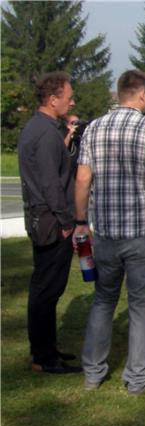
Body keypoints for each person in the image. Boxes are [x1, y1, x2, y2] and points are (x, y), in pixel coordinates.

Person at [74, 69, 145, 394]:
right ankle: (137, 379)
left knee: (103, 300)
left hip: (106, 233)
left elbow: (83, 179)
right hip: (141, 232)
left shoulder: (93, 128)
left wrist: (81, 221)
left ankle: (93, 373)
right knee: (141, 306)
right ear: (141, 93)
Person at [18, 71, 81, 374]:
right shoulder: (43, 133)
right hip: (51, 222)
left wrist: (68, 138)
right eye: (68, 95)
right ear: (53, 99)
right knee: (46, 290)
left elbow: (54, 166)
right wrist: (66, 220)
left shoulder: (44, 128)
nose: (72, 100)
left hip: (46, 218)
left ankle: (47, 349)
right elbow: (49, 183)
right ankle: (43, 358)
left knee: (48, 290)